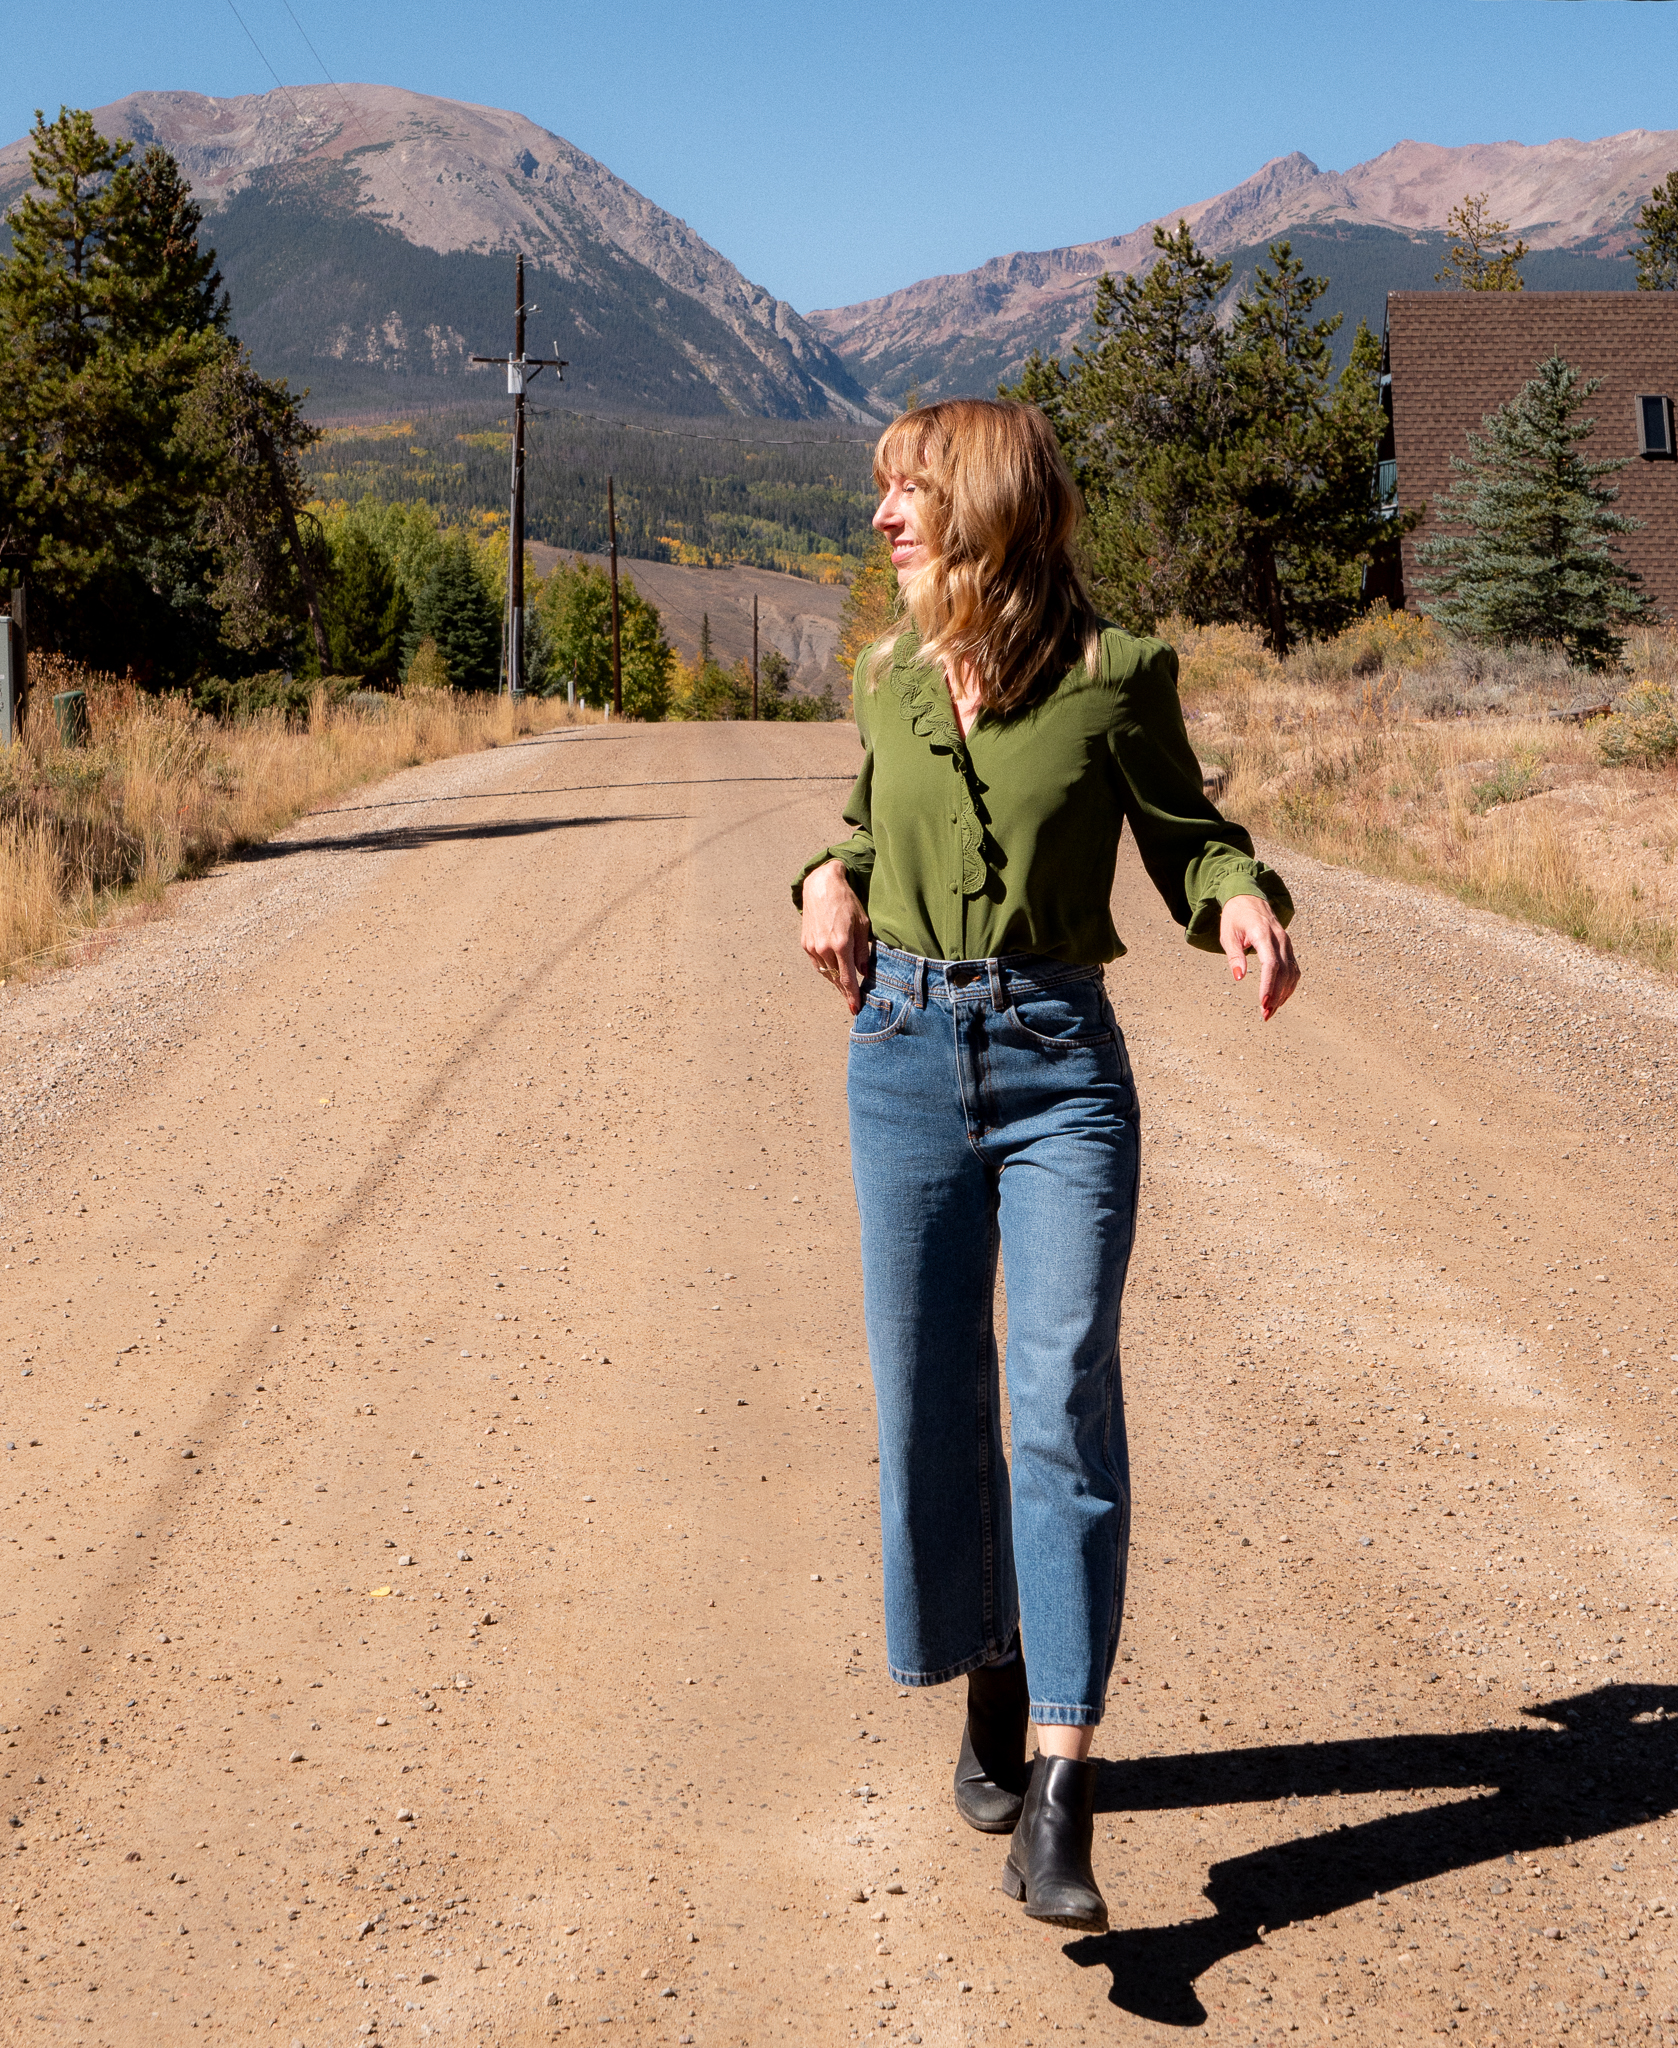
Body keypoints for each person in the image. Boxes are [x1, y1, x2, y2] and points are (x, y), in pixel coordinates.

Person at [793, 398, 1299, 1933]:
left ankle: (1063, 1788)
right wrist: (824, 879)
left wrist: (1238, 899)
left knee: (1061, 1393)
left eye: (905, 491)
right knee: (929, 1404)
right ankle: (991, 1670)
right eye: (882, 492)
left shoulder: (1114, 675)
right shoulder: (886, 676)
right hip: (898, 1053)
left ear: (985, 507)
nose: (881, 517)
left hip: (1058, 1065)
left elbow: (1188, 833)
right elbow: (863, 830)